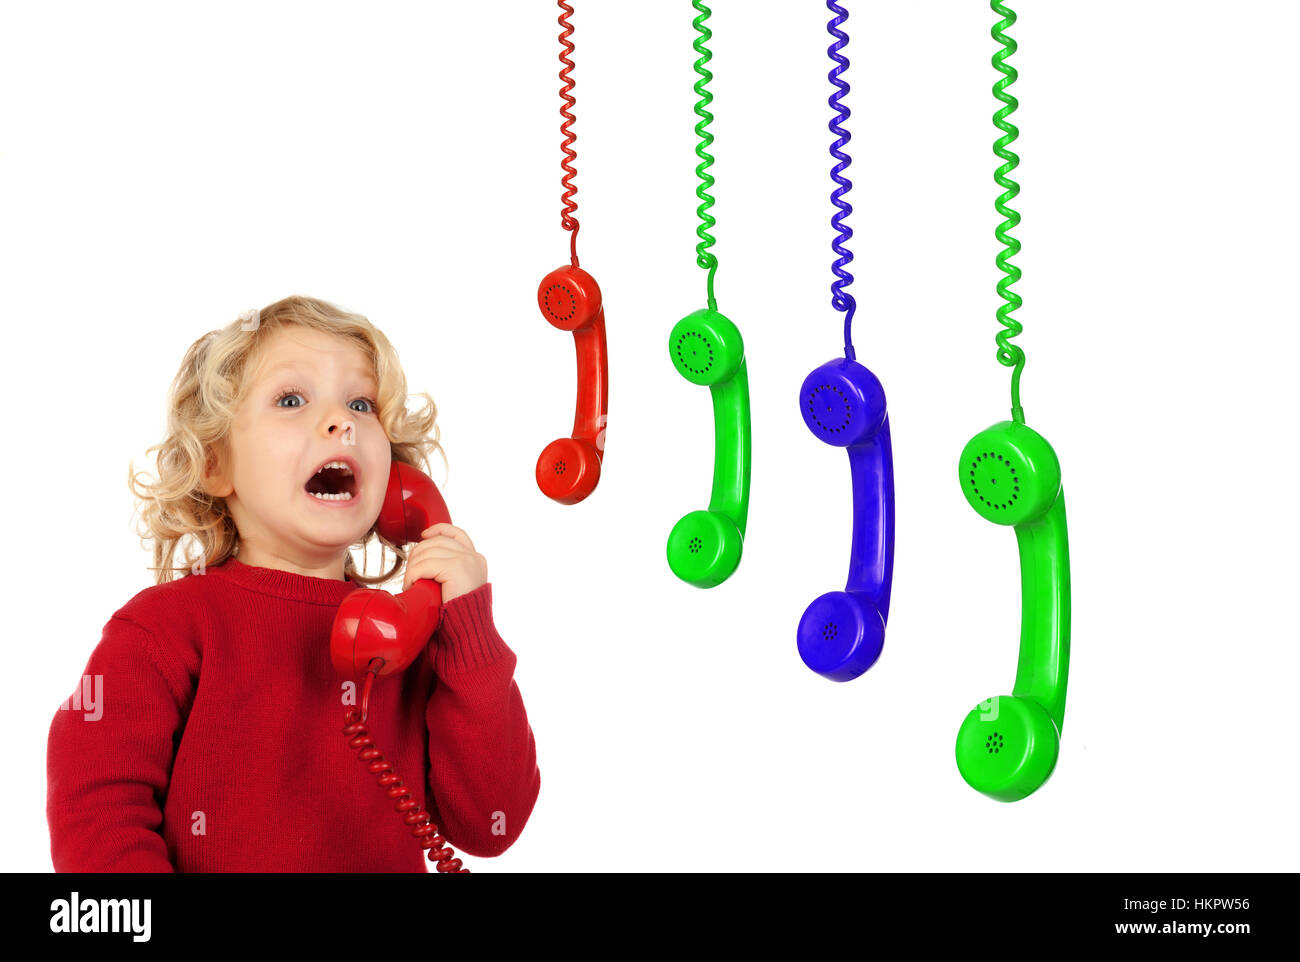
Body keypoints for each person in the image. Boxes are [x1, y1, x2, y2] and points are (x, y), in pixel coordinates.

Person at [46, 295, 540, 871]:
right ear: (214, 463)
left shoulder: (412, 638)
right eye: (290, 399)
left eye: (361, 403)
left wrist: (467, 633)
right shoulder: (163, 628)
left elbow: (490, 822)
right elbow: (97, 808)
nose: (342, 421)